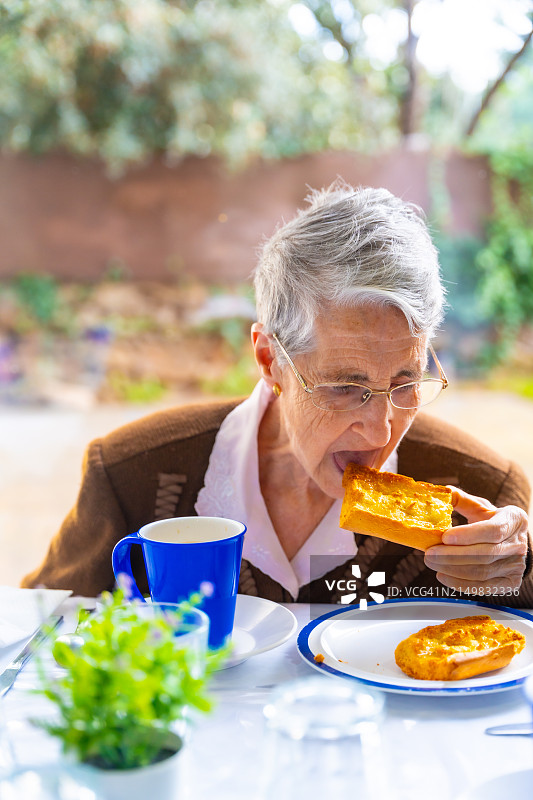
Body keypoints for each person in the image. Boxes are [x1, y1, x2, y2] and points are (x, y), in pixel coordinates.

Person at [22, 181, 532, 606]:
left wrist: (521, 573)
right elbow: (32, 638)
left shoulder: (482, 491)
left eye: (405, 383)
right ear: (270, 359)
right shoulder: (130, 476)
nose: (381, 431)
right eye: (346, 387)